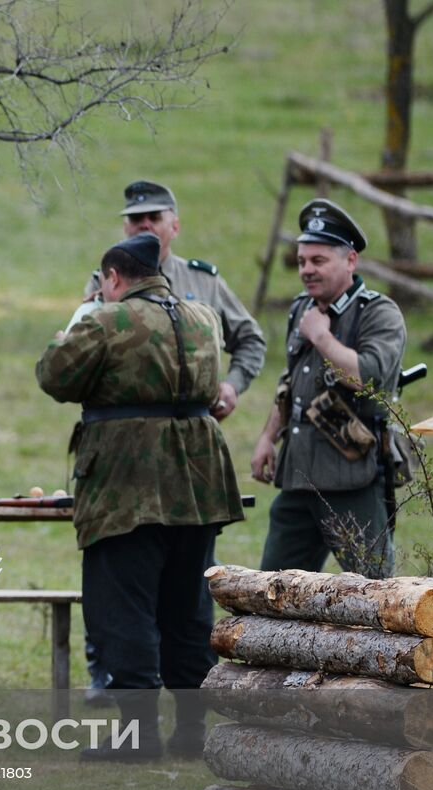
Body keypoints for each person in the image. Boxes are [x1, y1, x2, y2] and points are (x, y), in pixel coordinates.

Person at [38, 233, 244, 760]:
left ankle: (139, 733)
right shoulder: (203, 316)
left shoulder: (106, 320)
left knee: (122, 608)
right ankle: (192, 729)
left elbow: (55, 377)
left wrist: (80, 319)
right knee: (187, 608)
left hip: (126, 483)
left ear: (112, 278)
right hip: (197, 480)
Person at [79, 180, 266, 699]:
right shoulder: (104, 285)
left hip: (188, 465)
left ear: (173, 225)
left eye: (153, 218)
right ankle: (117, 685)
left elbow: (250, 338)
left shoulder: (201, 284)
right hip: (129, 466)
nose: (143, 226)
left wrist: (231, 385)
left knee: (172, 595)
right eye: (134, 220)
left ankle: (170, 715)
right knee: (138, 591)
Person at [251, 199, 407, 578]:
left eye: (318, 261)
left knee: (377, 599)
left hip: (352, 477)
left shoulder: (378, 313)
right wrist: (267, 438)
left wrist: (322, 337)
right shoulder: (302, 308)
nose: (307, 270)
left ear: (350, 261)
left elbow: (370, 379)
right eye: (303, 261)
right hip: (299, 478)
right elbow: (291, 382)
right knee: (271, 594)